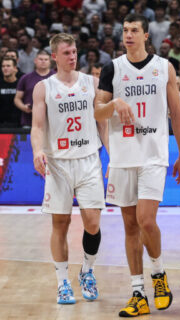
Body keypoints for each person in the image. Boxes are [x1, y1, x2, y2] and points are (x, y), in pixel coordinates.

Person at [94, 13, 180, 317]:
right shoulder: (112, 69)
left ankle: (159, 275)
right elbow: (97, 113)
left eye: (134, 30)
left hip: (153, 155)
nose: (128, 35)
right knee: (130, 226)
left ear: (147, 35)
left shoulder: (164, 67)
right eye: (125, 30)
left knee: (147, 220)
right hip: (122, 158)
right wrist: (114, 105)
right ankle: (138, 293)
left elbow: (176, 113)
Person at [30, 33, 107, 305]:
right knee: (60, 223)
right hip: (58, 163)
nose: (72, 56)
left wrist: (114, 156)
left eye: (74, 51)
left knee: (93, 222)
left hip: (88, 159)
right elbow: (37, 127)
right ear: (55, 56)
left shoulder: (92, 83)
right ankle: (62, 281)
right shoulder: (44, 87)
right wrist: (38, 150)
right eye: (66, 53)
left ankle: (87, 270)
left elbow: (103, 124)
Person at [0, 57, 22, 127]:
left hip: (19, 124)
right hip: (1, 124)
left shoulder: (21, 84)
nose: (5, 68)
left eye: (8, 66)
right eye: (3, 66)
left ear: (15, 68)